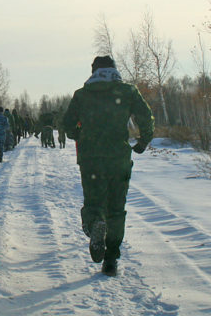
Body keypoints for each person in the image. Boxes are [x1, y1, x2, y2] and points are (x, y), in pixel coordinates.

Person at [62, 55, 154, 276]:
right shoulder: (128, 91)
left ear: (93, 71)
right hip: (118, 159)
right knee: (116, 208)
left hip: (91, 160)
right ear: (114, 70)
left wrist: (81, 135)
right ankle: (111, 259)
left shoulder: (82, 95)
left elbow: (67, 125)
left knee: (94, 203)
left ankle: (95, 223)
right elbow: (146, 117)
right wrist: (143, 141)